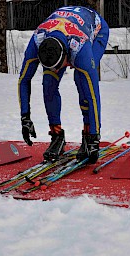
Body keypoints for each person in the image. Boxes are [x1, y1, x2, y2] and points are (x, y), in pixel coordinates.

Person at [18, 6, 109, 164]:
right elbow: (24, 80)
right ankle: (56, 135)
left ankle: (88, 135)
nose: (59, 70)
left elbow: (93, 96)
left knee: (82, 81)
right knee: (48, 83)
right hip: (58, 30)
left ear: (67, 56)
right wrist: (25, 117)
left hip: (95, 29)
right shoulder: (37, 41)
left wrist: (95, 137)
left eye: (60, 66)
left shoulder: (81, 49)